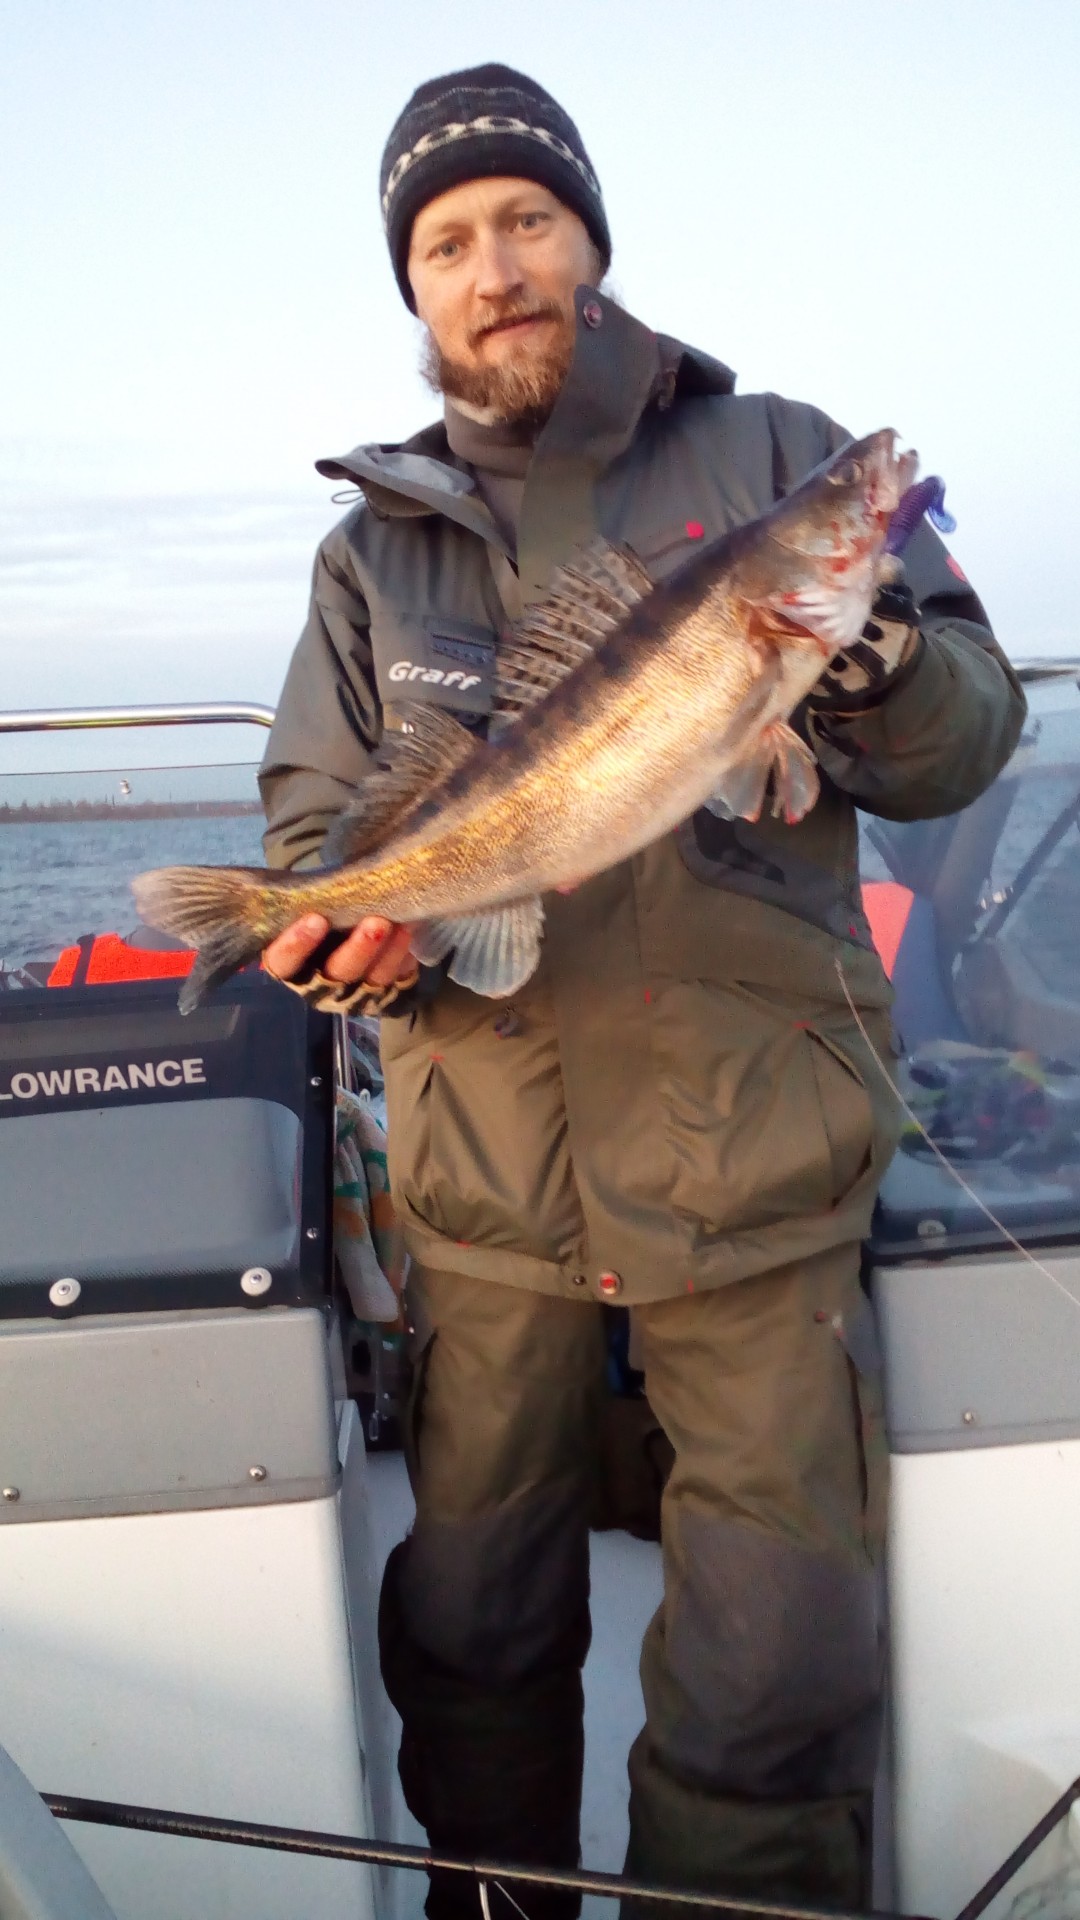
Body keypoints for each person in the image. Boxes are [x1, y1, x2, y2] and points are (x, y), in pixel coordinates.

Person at [257, 64, 1026, 1916]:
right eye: (448, 242)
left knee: (777, 1668)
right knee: (474, 1634)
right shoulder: (371, 554)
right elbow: (312, 823)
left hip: (756, 1168)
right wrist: (344, 922)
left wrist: (865, 654)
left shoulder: (779, 460)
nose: (493, 268)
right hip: (491, 1196)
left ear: (589, 242)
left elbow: (968, 737)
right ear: (413, 287)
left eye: (527, 221)